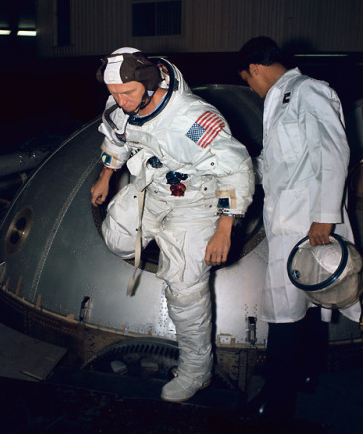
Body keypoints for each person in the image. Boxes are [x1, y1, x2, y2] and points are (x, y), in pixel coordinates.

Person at [91, 47, 255, 402]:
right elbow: (116, 138)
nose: (120, 100)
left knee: (185, 291)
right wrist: (106, 176)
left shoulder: (193, 120)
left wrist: (224, 228)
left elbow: (237, 168)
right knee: (116, 238)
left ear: (148, 84)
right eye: (114, 94)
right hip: (152, 190)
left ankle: (197, 372)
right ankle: (155, 236)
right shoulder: (121, 106)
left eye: (127, 93)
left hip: (196, 206)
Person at [236, 36, 361, 423]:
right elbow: (274, 164)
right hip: (288, 219)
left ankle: (277, 401)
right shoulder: (280, 98)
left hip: (309, 220)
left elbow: (335, 150)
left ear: (254, 69)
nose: (251, 89)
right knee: (308, 299)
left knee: (284, 312)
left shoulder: (309, 91)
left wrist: (325, 216)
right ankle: (306, 372)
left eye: (248, 81)